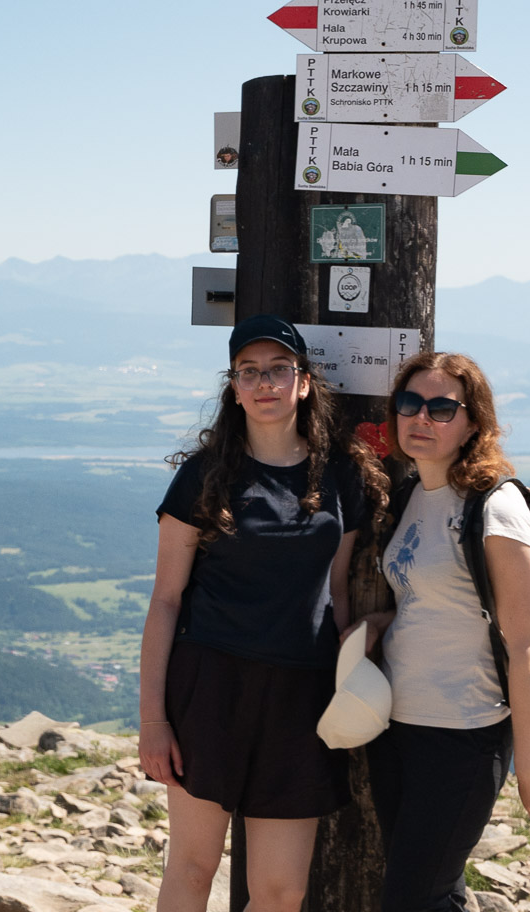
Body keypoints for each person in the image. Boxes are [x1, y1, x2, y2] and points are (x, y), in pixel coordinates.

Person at [137, 315, 386, 912]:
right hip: (210, 689)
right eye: (248, 372)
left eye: (278, 369)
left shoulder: (340, 475)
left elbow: (337, 589)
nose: (264, 383)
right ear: (234, 386)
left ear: (304, 382)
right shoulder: (204, 476)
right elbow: (166, 601)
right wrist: (153, 722)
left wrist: (360, 655)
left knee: (281, 891)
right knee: (193, 869)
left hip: (301, 698)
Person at [351, 351, 530, 911]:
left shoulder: (495, 508)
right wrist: (377, 626)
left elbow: (528, 647)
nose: (421, 417)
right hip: (396, 725)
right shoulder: (410, 498)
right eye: (410, 403)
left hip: (464, 734)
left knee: (410, 899)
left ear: (474, 423)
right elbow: (430, 600)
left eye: (442, 407)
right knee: (433, 892)